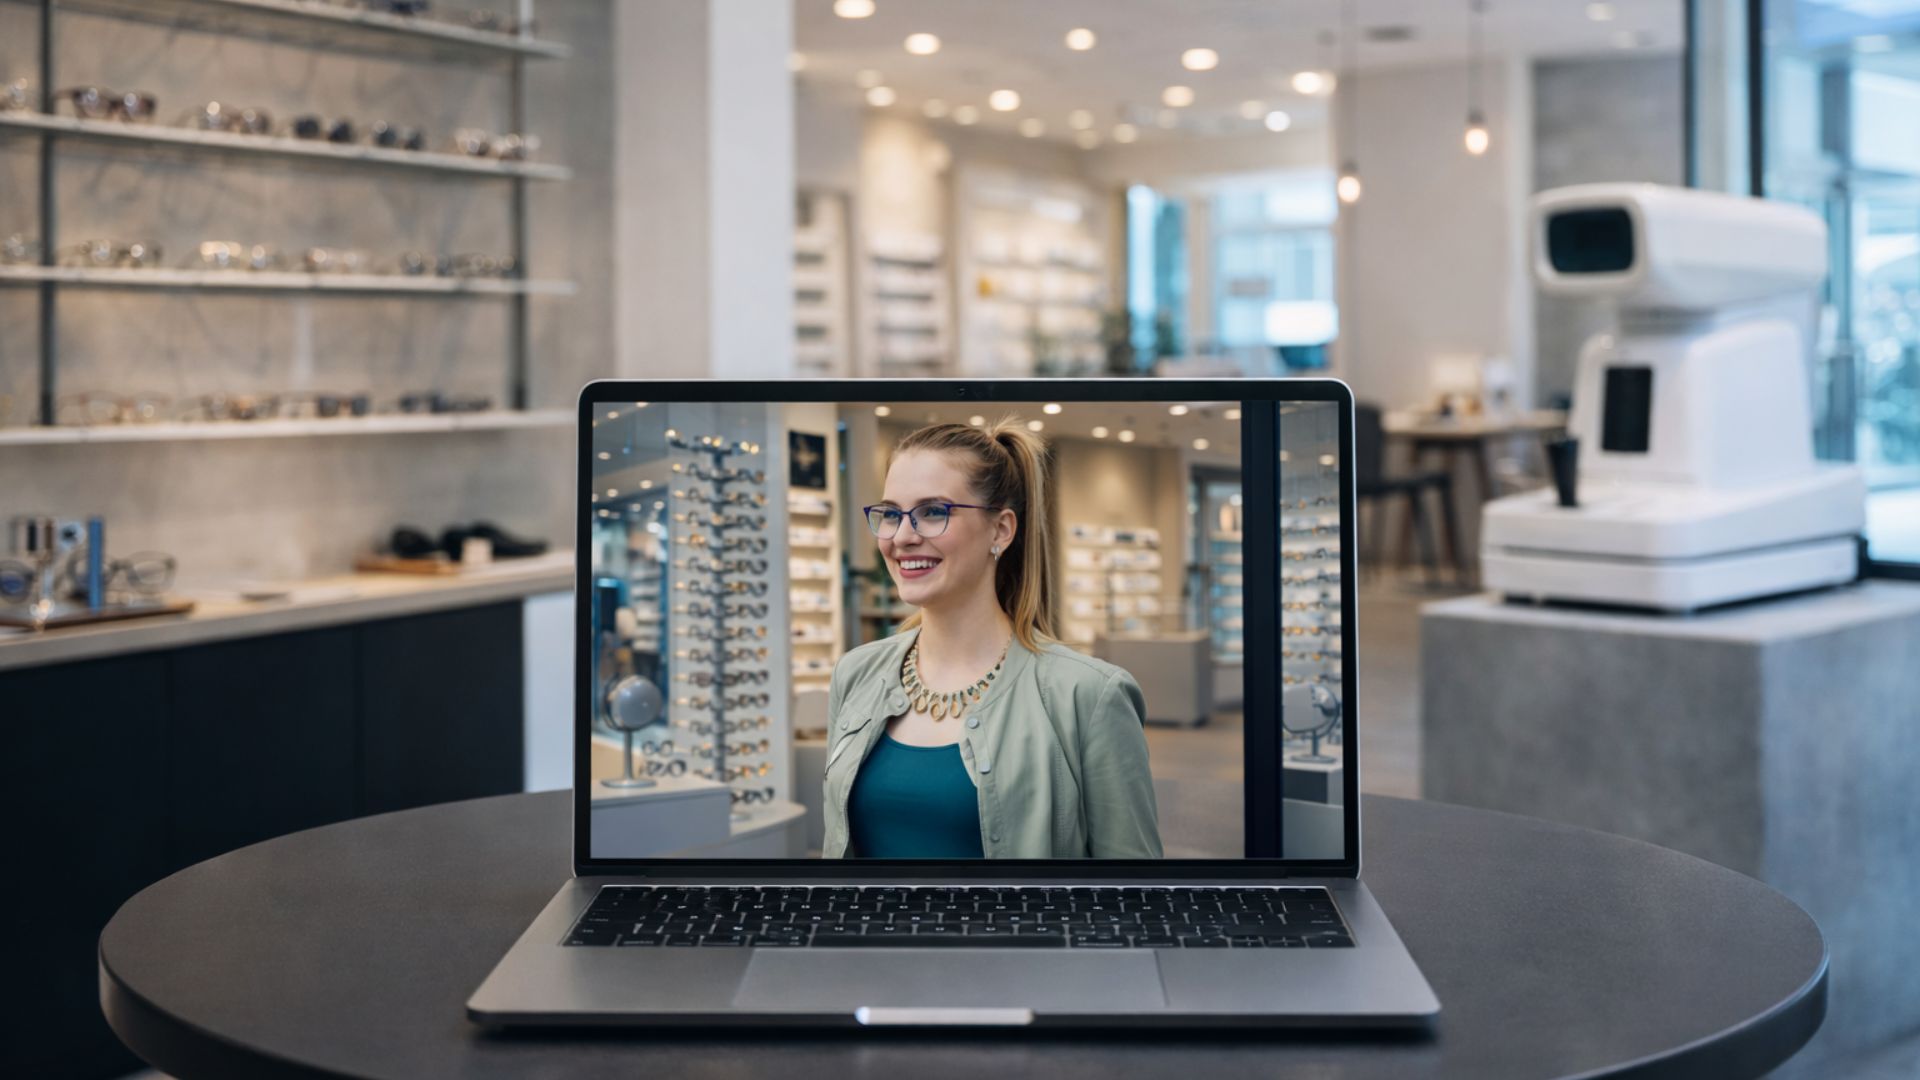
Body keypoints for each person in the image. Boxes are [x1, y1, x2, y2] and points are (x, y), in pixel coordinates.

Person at [821, 419, 1162, 859]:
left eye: (932, 512)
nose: (902, 537)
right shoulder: (856, 674)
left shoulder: (1088, 695)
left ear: (1000, 530)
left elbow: (1131, 893)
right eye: (890, 514)